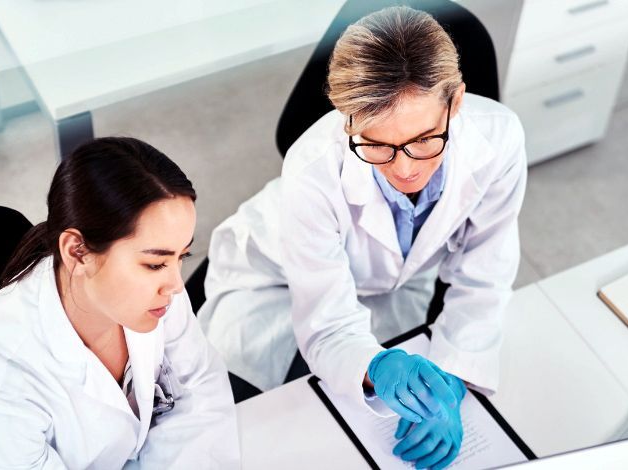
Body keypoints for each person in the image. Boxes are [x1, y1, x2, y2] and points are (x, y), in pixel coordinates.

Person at [197, 6, 526, 469]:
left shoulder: (500, 139)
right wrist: (373, 366)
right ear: (347, 119)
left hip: (392, 283)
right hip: (272, 275)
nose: (405, 168)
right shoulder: (312, 169)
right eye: (377, 145)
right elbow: (327, 322)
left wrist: (453, 377)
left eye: (426, 138)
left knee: (361, 431)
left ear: (455, 103)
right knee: (248, 429)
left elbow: (485, 275)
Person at [0, 137, 238, 469]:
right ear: (77, 252)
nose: (176, 285)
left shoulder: (154, 295)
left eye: (182, 256)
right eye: (155, 264)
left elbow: (200, 396)